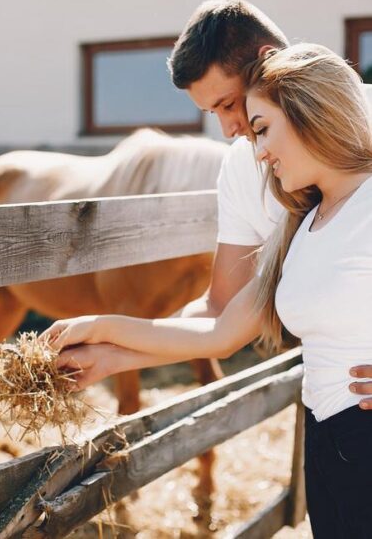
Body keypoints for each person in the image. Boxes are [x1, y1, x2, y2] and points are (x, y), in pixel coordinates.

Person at [42, 43, 372, 537]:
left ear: (310, 113)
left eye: (262, 129)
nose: (257, 150)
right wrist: (102, 338)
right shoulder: (302, 225)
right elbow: (218, 330)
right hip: (326, 441)